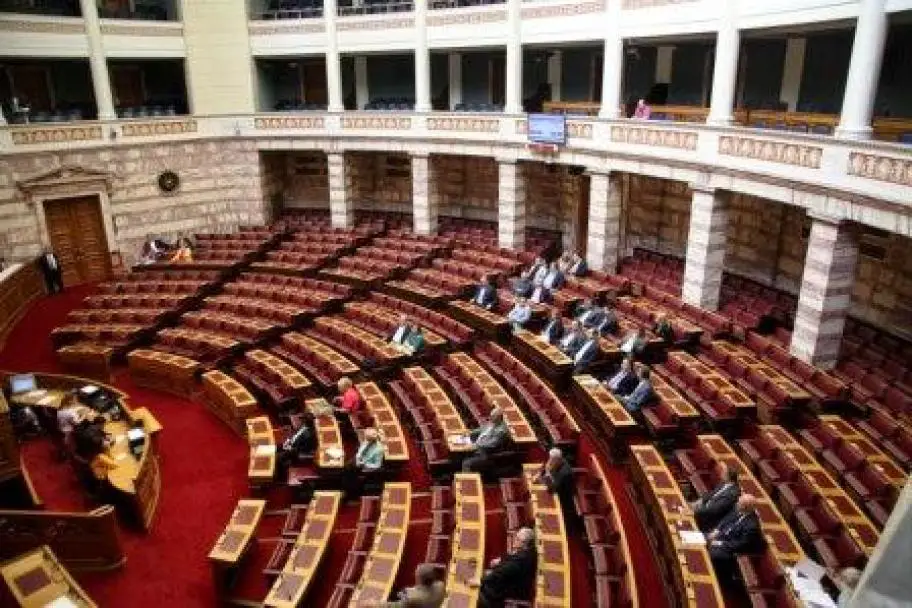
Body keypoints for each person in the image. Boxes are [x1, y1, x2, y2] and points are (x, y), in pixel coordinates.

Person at [475, 527, 537, 607]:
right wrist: (500, 560)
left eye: (517, 539)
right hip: (507, 583)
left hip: (506, 592)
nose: (514, 540)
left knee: (475, 593)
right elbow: (511, 558)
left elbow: (500, 573)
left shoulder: (522, 559)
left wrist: (480, 580)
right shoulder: (527, 551)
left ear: (525, 543)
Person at [707, 494, 763, 581]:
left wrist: (720, 543)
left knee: (711, 553)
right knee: (702, 537)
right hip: (722, 536)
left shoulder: (752, 526)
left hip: (732, 550)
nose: (737, 504)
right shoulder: (738, 510)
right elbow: (726, 519)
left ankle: (713, 579)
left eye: (739, 503)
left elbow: (740, 545)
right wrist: (717, 530)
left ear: (745, 507)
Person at [692, 463, 741, 532]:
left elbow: (714, 510)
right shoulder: (724, 484)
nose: (721, 473)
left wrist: (695, 511)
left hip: (708, 521)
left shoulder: (733, 493)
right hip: (703, 511)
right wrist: (699, 501)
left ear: (728, 475)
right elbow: (710, 494)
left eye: (723, 472)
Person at [462, 408, 509, 474]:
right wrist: (470, 432)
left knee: (466, 463)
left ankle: (468, 479)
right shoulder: (492, 423)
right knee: (461, 456)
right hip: (477, 448)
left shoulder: (501, 431)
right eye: (491, 415)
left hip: (486, 454)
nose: (490, 418)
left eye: (493, 416)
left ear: (499, 418)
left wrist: (476, 445)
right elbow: (481, 429)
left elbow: (491, 444)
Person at [381, 563, 445, 608]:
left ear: (419, 579)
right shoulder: (441, 586)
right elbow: (442, 568)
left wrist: (376, 604)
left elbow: (393, 606)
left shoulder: (412, 598)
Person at [534, 448, 574, 516]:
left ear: (558, 459)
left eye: (552, 459)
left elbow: (553, 489)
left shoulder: (565, 473)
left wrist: (547, 474)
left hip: (562, 497)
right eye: (550, 458)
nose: (550, 460)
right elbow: (545, 466)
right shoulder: (556, 461)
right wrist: (540, 473)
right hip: (554, 487)